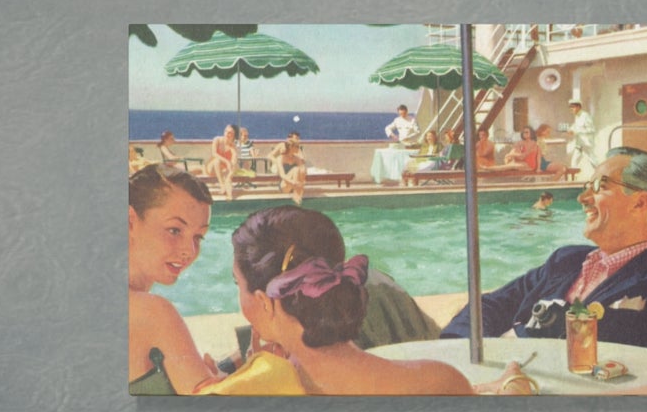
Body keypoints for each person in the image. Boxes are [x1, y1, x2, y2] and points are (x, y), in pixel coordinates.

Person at [440, 149, 647, 372]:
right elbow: (489, 306)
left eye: (600, 186)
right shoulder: (566, 260)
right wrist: (462, 354)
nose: (582, 197)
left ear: (640, 202)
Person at [210, 206, 472, 396]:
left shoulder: (251, 394)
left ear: (264, 302)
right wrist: (512, 385)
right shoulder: (440, 382)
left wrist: (253, 375)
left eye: (238, 284)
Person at [128, 164, 219, 395]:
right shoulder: (152, 312)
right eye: (175, 230)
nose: (189, 251)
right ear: (129, 221)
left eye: (198, 237)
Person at [564, 101, 596, 181]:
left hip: (586, 143)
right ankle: (573, 179)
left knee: (593, 160)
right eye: (570, 108)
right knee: (574, 160)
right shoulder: (577, 116)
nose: (571, 109)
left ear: (578, 107)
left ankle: (601, 174)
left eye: (573, 107)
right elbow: (575, 127)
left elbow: (591, 129)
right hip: (579, 143)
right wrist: (570, 130)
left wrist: (576, 132)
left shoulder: (585, 116)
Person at [207, 122, 239, 201]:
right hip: (212, 168)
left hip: (222, 170)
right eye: (226, 131)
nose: (227, 134)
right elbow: (214, 153)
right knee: (217, 161)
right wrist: (227, 162)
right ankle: (222, 185)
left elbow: (234, 160)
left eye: (230, 133)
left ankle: (229, 196)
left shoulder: (233, 146)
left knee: (228, 177)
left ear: (234, 135)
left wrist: (231, 173)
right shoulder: (217, 140)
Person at [278, 130, 307, 203]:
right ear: (291, 147)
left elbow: (303, 171)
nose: (298, 148)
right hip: (285, 185)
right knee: (296, 169)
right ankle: (296, 196)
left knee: (300, 169)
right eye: (297, 146)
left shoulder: (297, 158)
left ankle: (297, 196)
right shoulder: (281, 158)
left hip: (296, 185)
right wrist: (293, 182)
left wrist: (301, 185)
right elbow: (282, 175)